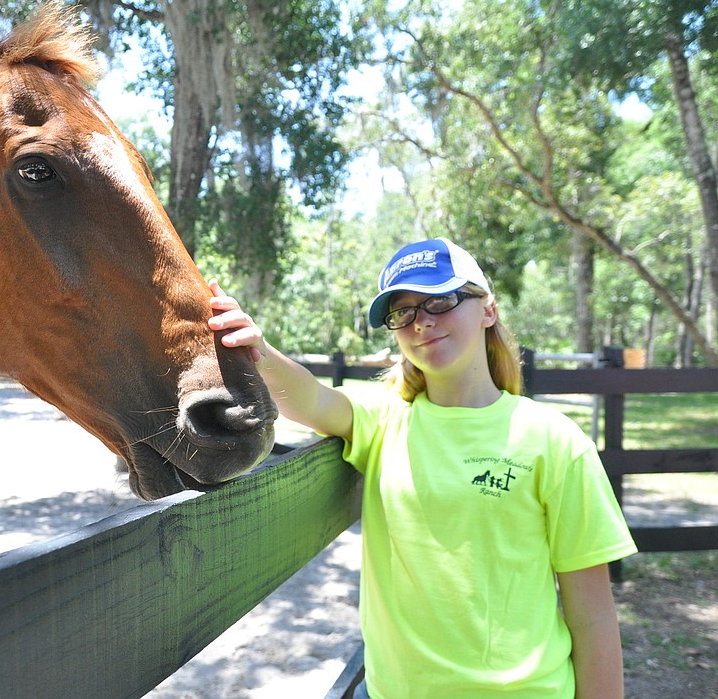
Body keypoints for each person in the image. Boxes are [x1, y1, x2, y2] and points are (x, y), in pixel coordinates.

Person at [209, 237, 638, 698]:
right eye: (404, 312)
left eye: (440, 300)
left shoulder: (555, 440)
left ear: (488, 310)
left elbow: (592, 615)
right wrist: (258, 350)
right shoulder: (383, 420)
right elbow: (310, 400)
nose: (422, 323)